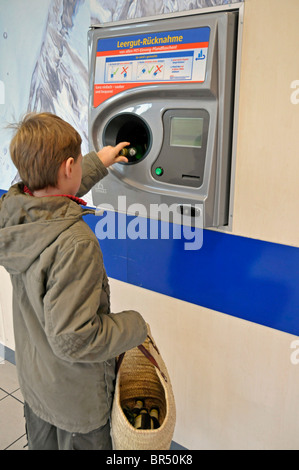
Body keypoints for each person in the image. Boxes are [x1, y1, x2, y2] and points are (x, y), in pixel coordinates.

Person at [0, 112, 147, 450]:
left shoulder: (14, 211)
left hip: (38, 384)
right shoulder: (76, 243)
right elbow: (74, 340)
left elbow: (51, 200)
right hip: (77, 402)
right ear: (68, 167)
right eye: (80, 162)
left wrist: (99, 160)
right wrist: (135, 326)